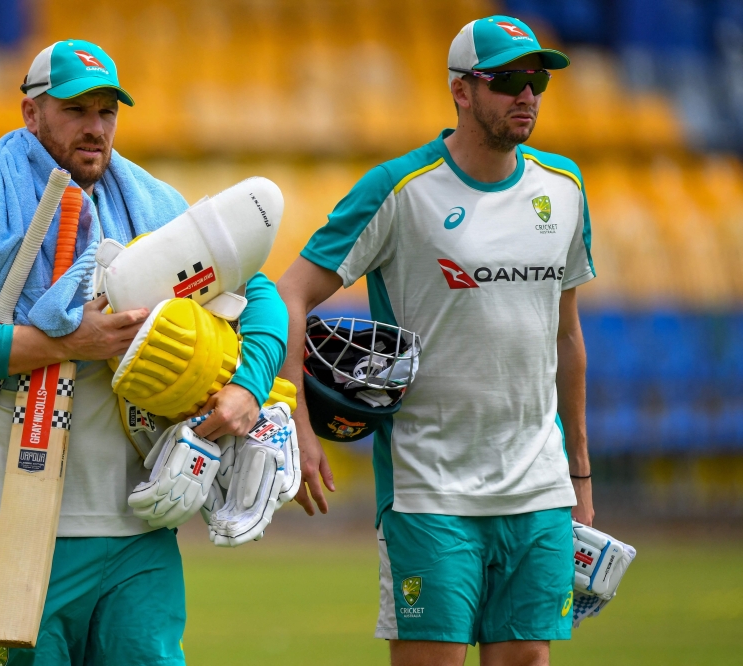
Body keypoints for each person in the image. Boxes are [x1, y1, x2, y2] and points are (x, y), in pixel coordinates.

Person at [0, 40, 288, 666]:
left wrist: (247, 387)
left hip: (137, 519)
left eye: (107, 110)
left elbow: (261, 296)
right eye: (76, 109)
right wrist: (61, 343)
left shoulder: (155, 207)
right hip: (15, 523)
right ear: (32, 113)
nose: (95, 127)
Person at [277, 15, 594, 666]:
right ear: (462, 91)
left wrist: (580, 478)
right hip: (430, 491)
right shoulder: (400, 189)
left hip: (538, 489)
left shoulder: (563, 189)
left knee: (528, 660)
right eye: (508, 80)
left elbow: (567, 339)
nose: (526, 95)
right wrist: (297, 425)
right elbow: (290, 294)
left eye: (536, 79)